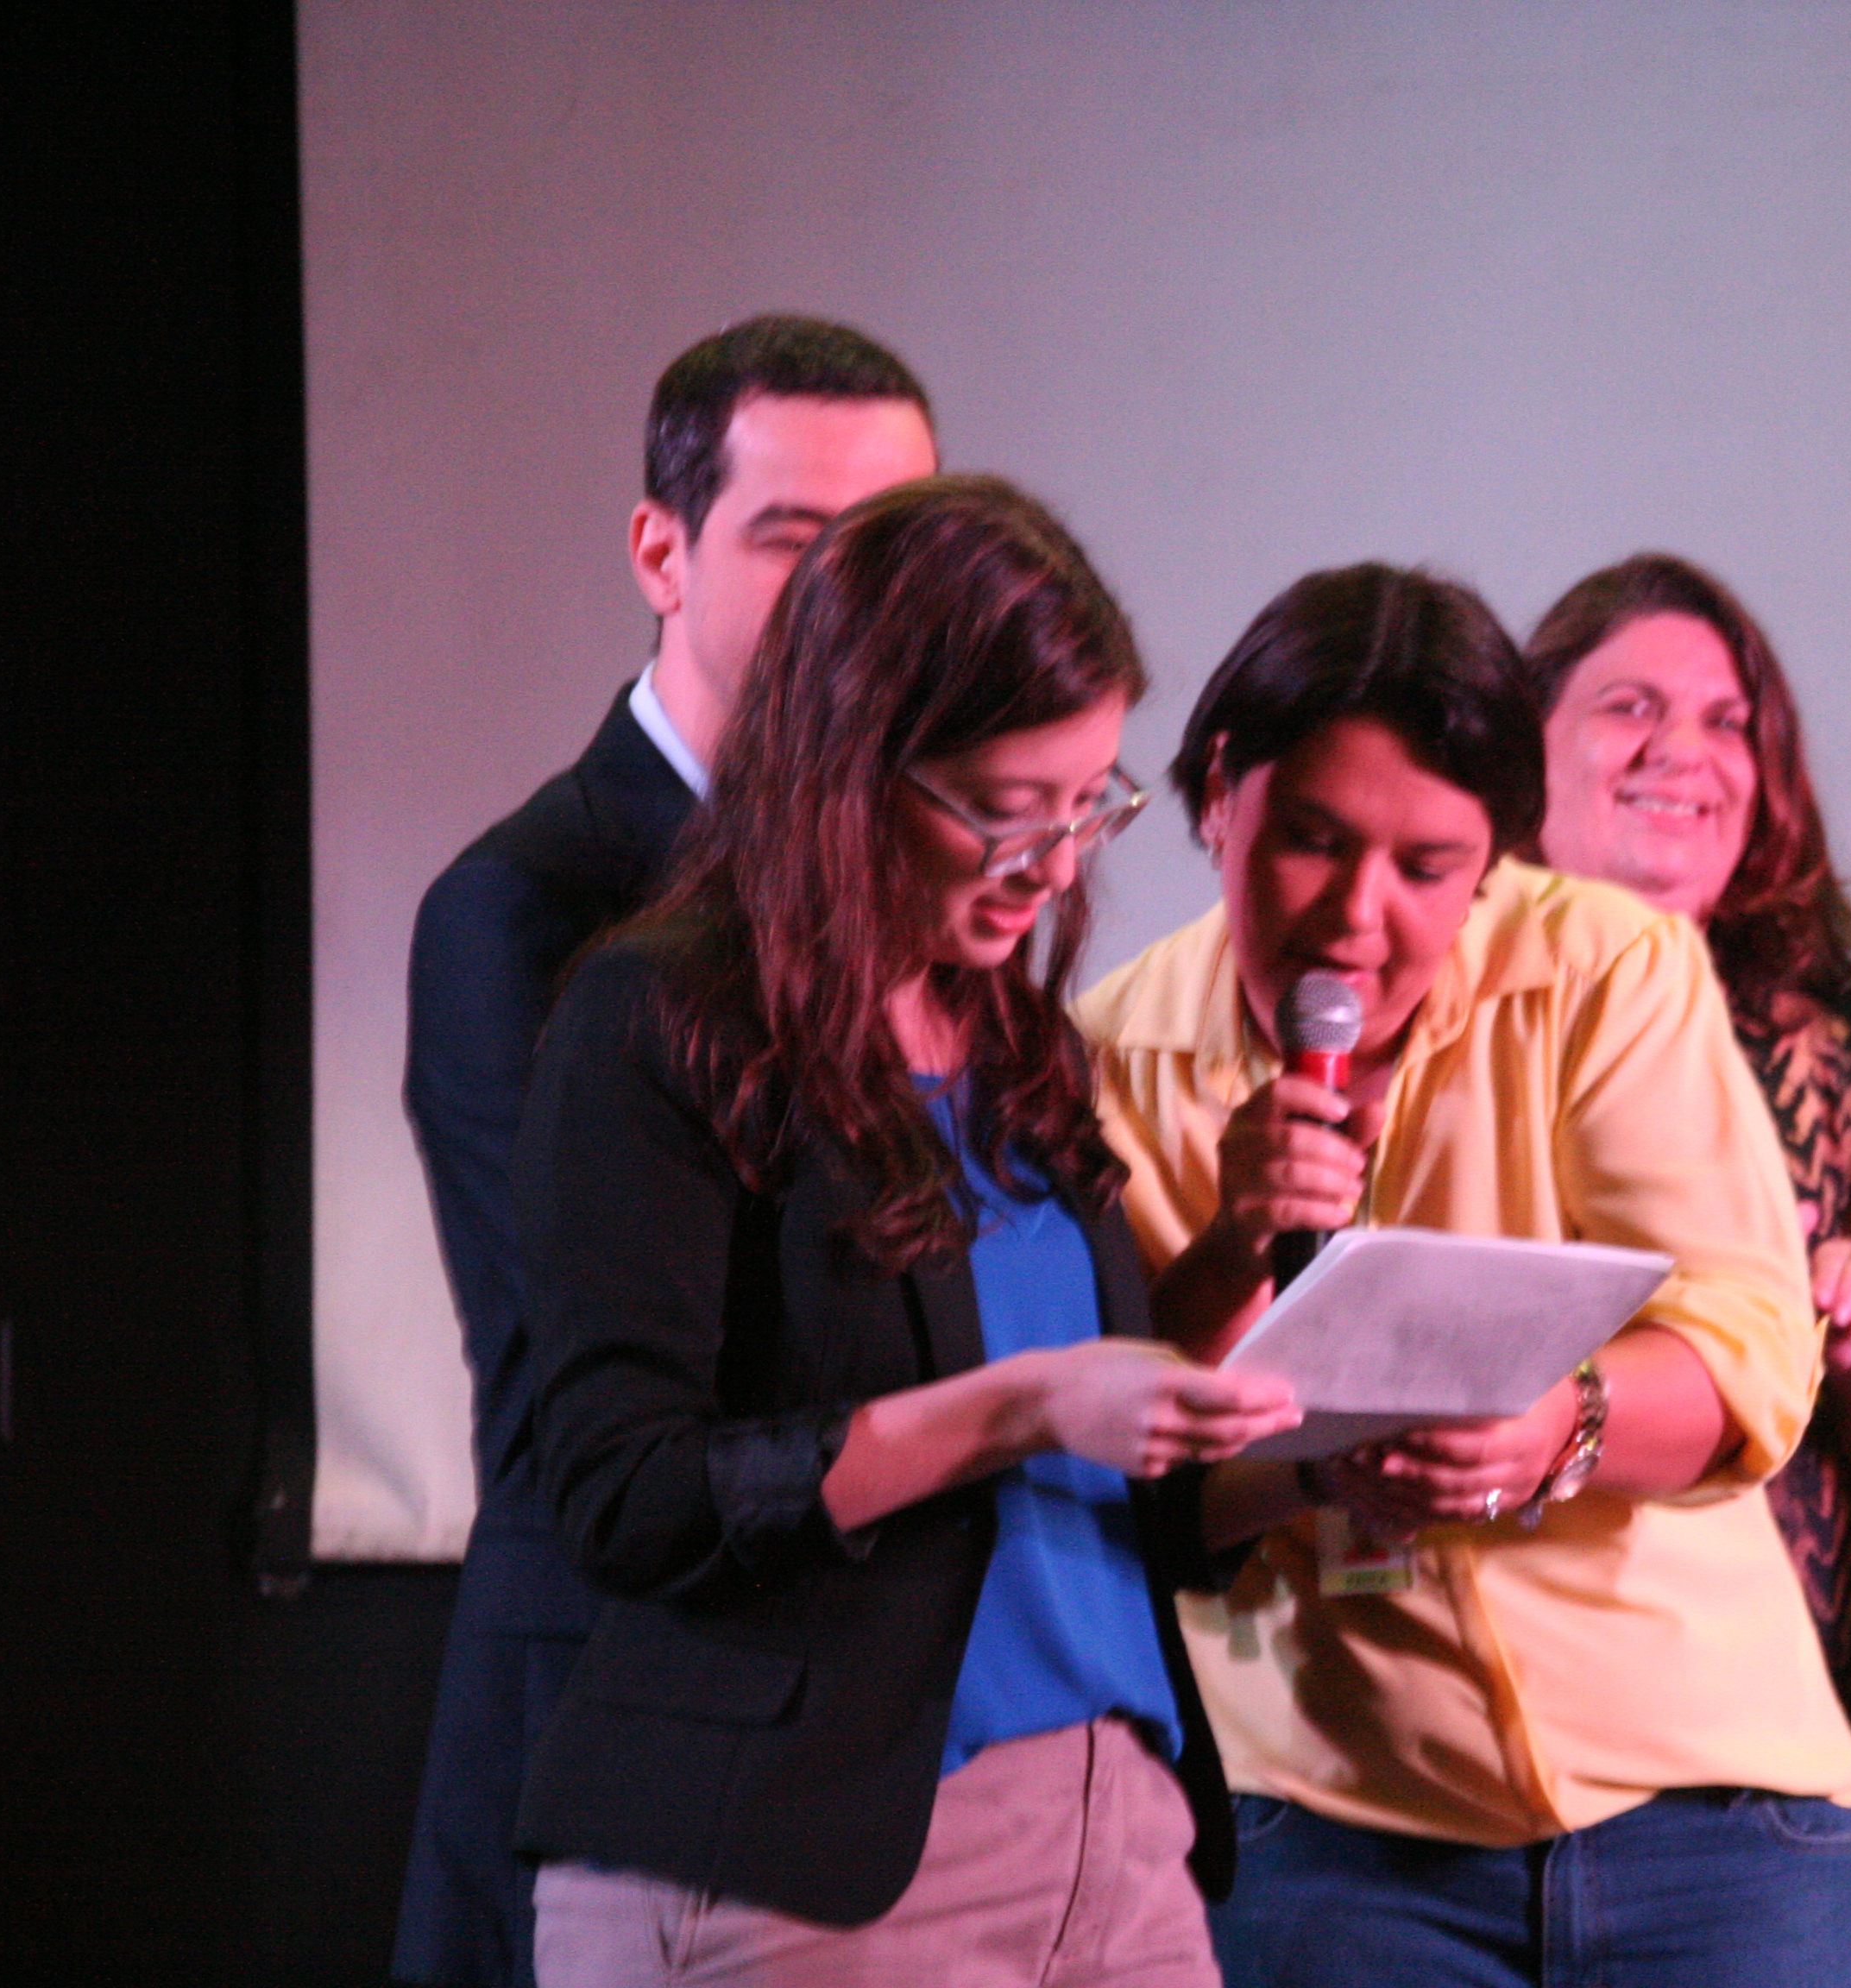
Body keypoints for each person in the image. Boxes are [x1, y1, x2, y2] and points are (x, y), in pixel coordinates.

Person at [510, 475, 1299, 1986]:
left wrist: (1305, 1444)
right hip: (809, 1864)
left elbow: (1106, 1488)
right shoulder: (657, 1020)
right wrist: (1018, 1406)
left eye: (1090, 803)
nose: (1057, 864)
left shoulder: (1021, 1049)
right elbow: (626, 1497)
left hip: (1119, 1838)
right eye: (1006, 809)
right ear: (849, 764)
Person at [1076, 563, 1851, 1988]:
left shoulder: (1609, 970)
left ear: (1494, 862)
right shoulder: (1109, 1057)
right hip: (1334, 1835)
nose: (1357, 916)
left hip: (1711, 1817)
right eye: (1312, 842)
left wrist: (1557, 1426)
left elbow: (1750, 1346)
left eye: (1427, 868)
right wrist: (1236, 1263)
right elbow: (1128, 1469)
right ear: (1218, 794)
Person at [394, 315, 939, 1988]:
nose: (849, 600)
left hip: (881, 1735)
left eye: (889, 549)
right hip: (626, 1710)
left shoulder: (933, 891)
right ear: (660, 551)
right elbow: (591, 1406)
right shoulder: (529, 904)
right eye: (793, 541)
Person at [1520, 552, 1851, 1891]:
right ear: (1519, 743)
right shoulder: (1440, 1014)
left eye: (1728, 721)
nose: (1685, 749)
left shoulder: (1826, 1048)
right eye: (1630, 707)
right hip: (1514, 1735)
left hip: (1797, 1746)